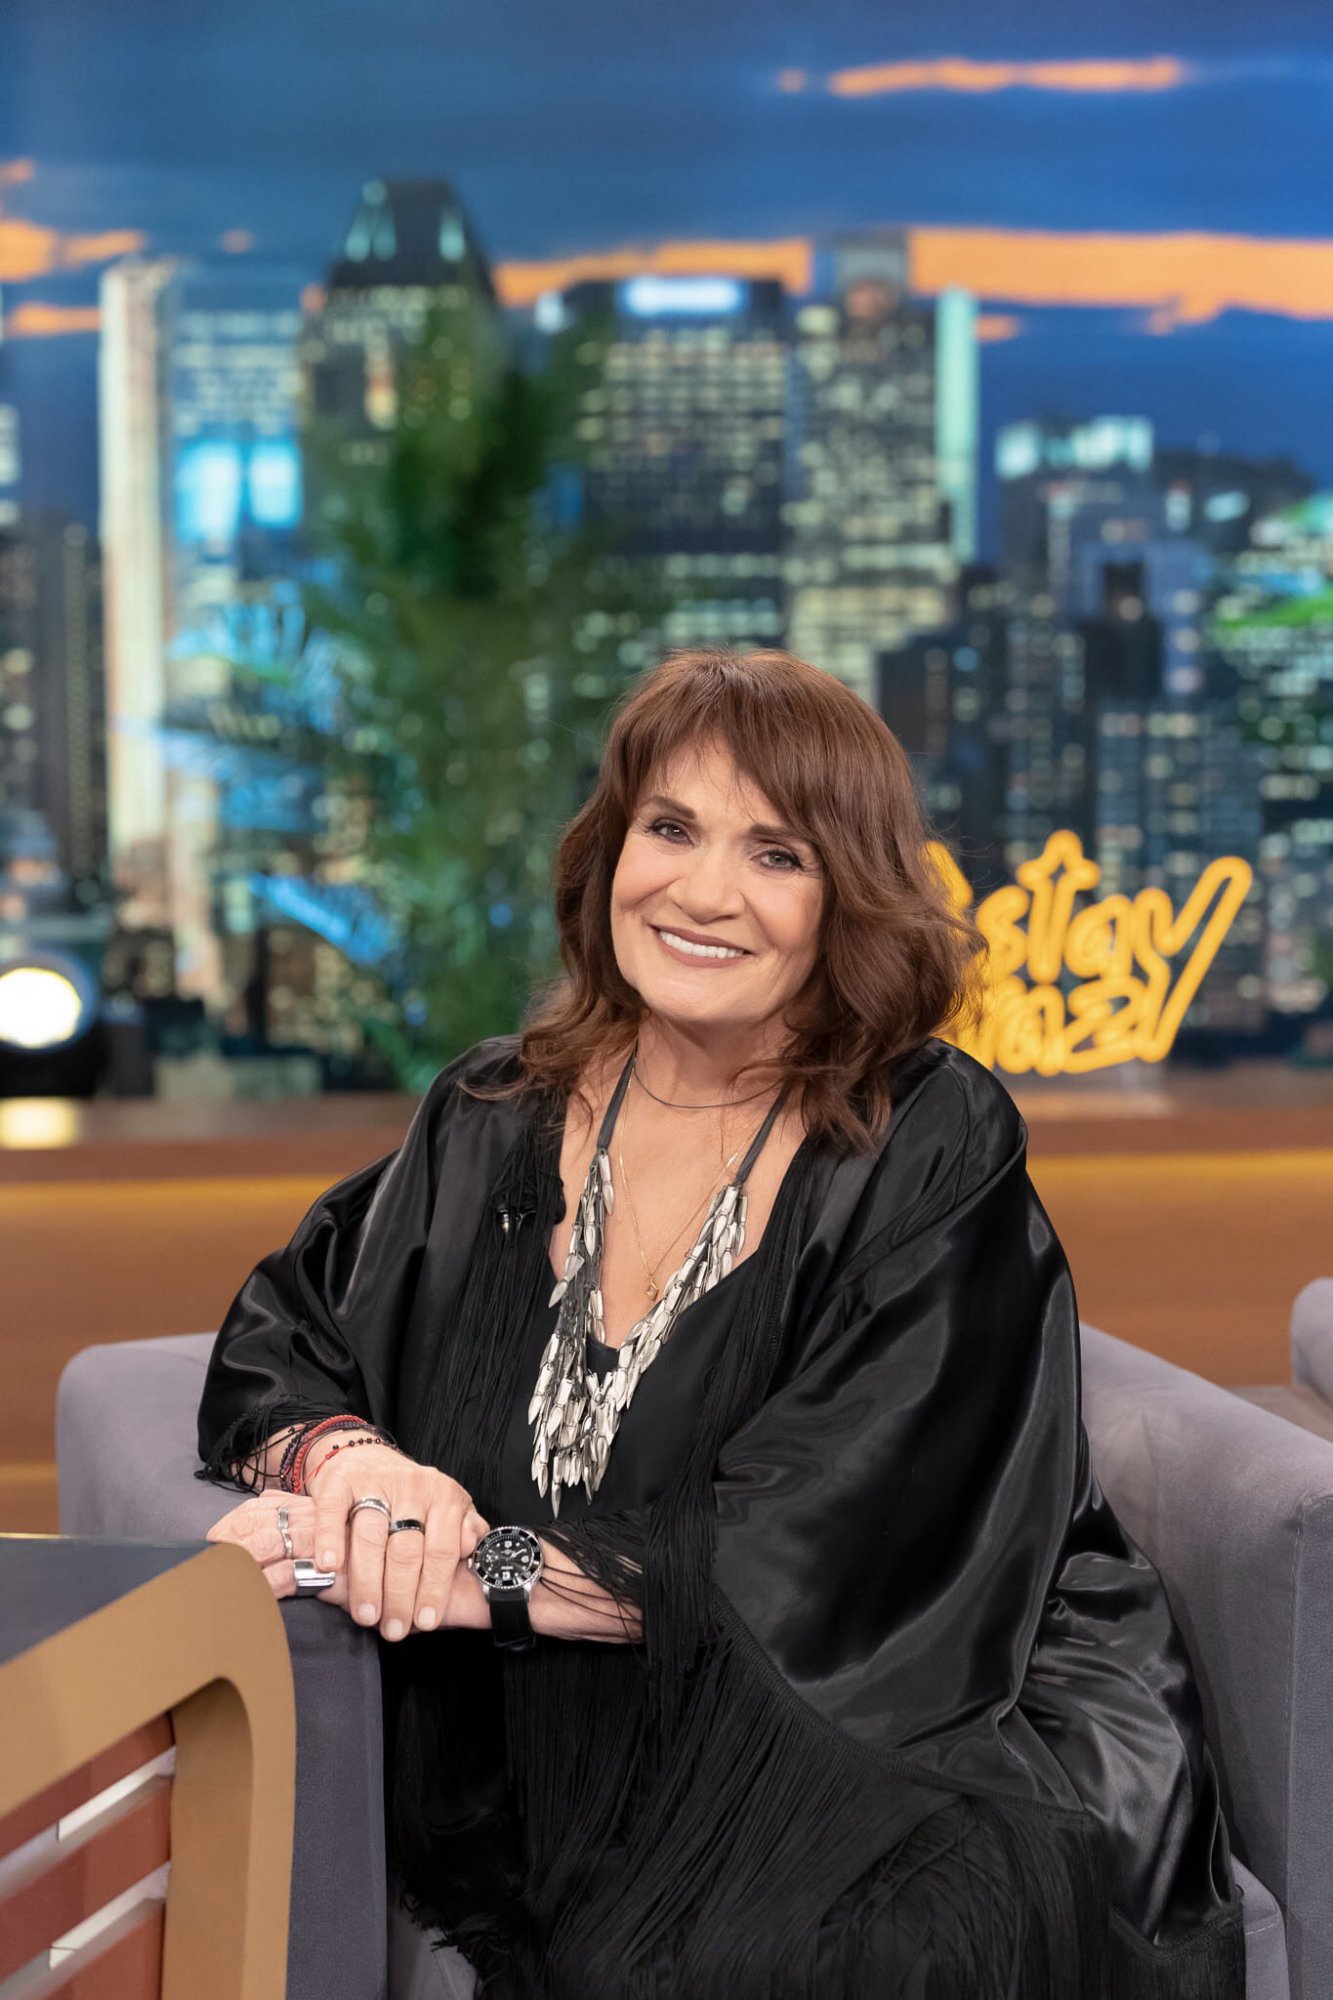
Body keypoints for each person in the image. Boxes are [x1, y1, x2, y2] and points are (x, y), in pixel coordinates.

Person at [198, 649, 1244, 1999]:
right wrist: (356, 1473)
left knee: (855, 1940)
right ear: (610, 853)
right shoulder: (489, 1112)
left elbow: (839, 1533)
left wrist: (474, 1572)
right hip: (570, 1695)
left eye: (777, 854)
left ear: (847, 898)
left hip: (908, 1686)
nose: (702, 892)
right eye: (670, 829)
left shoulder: (928, 1132)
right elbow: (290, 1327)